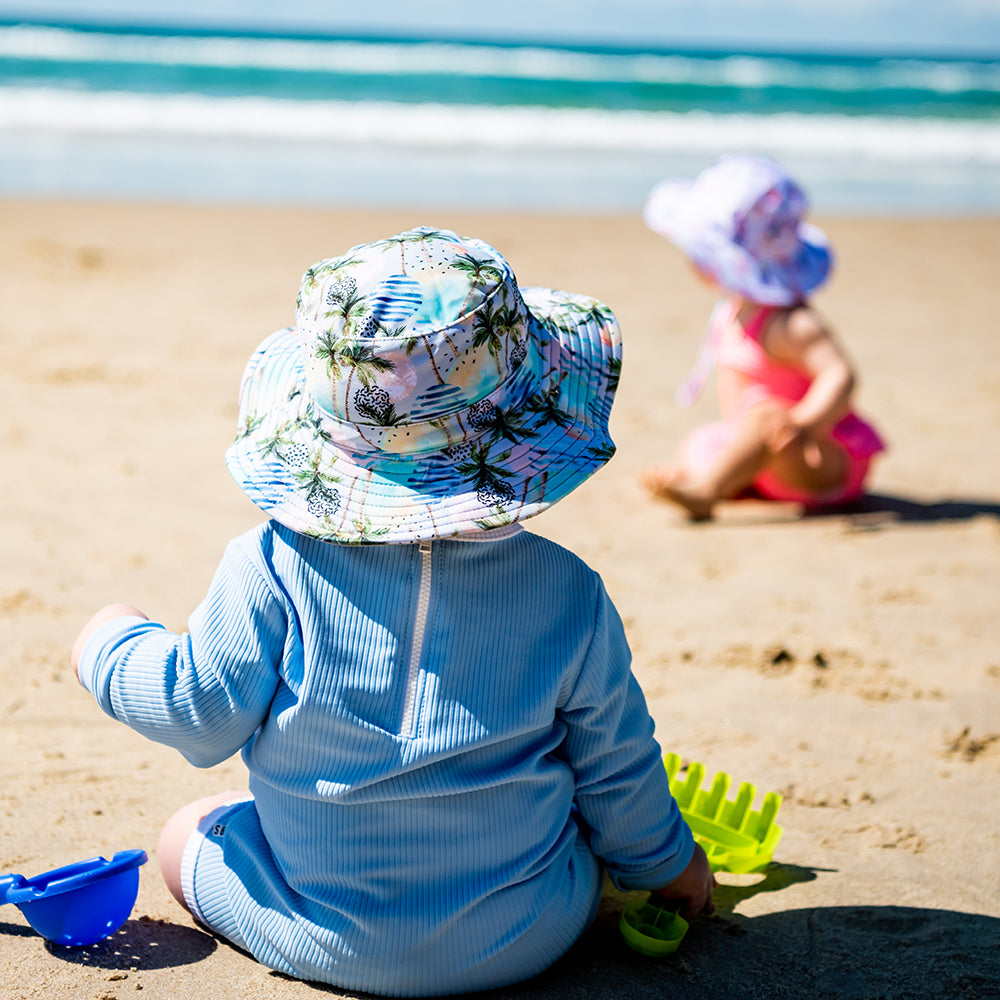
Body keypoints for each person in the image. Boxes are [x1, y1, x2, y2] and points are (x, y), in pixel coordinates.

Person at [71, 227, 714, 996]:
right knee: (575, 822)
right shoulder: (570, 592)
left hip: (319, 931)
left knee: (191, 832)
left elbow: (198, 712)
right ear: (528, 423)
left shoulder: (271, 564)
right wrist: (671, 865)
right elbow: (616, 769)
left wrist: (107, 644)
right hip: (527, 932)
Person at [640, 153, 886, 521]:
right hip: (764, 452)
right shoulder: (736, 310)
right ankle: (716, 476)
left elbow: (841, 375)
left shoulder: (790, 323)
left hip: (816, 457)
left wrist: (803, 423)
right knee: (701, 442)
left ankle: (707, 491)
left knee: (768, 416)